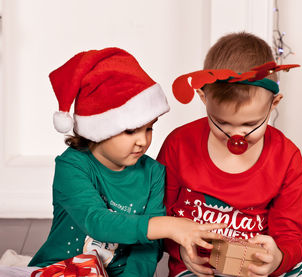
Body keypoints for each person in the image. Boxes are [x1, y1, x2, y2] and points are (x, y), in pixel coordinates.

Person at [0, 48, 226, 277]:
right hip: (60, 269)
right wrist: (168, 225)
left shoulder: (153, 173)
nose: (143, 141)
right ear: (99, 129)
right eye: (130, 131)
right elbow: (97, 222)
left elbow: (148, 248)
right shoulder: (72, 166)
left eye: (149, 128)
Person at [157, 32, 302, 277]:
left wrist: (277, 258)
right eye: (223, 124)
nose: (237, 135)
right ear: (204, 98)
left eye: (250, 124)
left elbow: (291, 237)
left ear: (274, 103)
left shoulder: (287, 157)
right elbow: (157, 217)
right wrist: (181, 249)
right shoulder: (179, 145)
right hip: (196, 271)